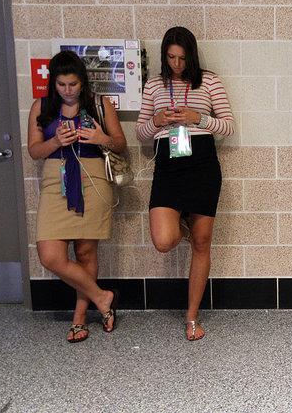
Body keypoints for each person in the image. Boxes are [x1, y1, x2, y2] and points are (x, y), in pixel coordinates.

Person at [135, 26, 235, 341]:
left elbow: (229, 126)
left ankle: (191, 317)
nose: (177, 64)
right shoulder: (153, 85)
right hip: (168, 166)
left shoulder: (210, 81)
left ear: (191, 55)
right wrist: (158, 121)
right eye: (171, 57)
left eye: (182, 58)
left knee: (203, 243)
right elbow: (140, 132)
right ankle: (183, 223)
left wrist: (198, 118)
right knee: (163, 239)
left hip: (202, 164)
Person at [27, 50, 127, 342]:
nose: (68, 91)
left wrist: (100, 139)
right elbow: (34, 151)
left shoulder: (99, 104)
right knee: (50, 255)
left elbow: (120, 145)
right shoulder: (41, 107)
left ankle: (79, 319)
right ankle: (103, 297)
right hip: (55, 181)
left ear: (82, 81)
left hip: (92, 179)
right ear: (53, 84)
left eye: (73, 84)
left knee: (85, 252)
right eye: (61, 85)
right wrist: (56, 141)